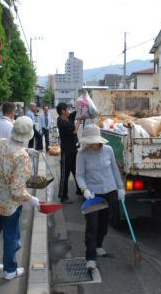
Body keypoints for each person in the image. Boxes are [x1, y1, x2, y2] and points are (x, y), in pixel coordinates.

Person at [0, 116, 40, 280]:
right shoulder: (22, 157)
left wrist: (26, 152)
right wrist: (32, 199)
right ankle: (9, 270)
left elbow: (4, 157)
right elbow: (17, 190)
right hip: (8, 204)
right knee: (10, 236)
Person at [76, 124, 126, 270]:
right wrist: (84, 189)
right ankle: (90, 257)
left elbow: (115, 170)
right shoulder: (82, 154)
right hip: (92, 194)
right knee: (92, 225)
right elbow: (79, 175)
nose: (89, 145)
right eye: (88, 142)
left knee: (104, 223)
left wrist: (121, 187)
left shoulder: (108, 150)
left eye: (92, 142)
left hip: (109, 191)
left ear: (98, 140)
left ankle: (98, 245)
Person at [56, 102, 82, 203]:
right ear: (63, 111)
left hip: (73, 150)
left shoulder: (68, 118)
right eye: (67, 109)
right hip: (66, 153)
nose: (69, 111)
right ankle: (63, 196)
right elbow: (75, 130)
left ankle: (80, 190)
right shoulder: (62, 122)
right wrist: (79, 120)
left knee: (77, 171)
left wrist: (82, 107)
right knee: (65, 175)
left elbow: (76, 113)